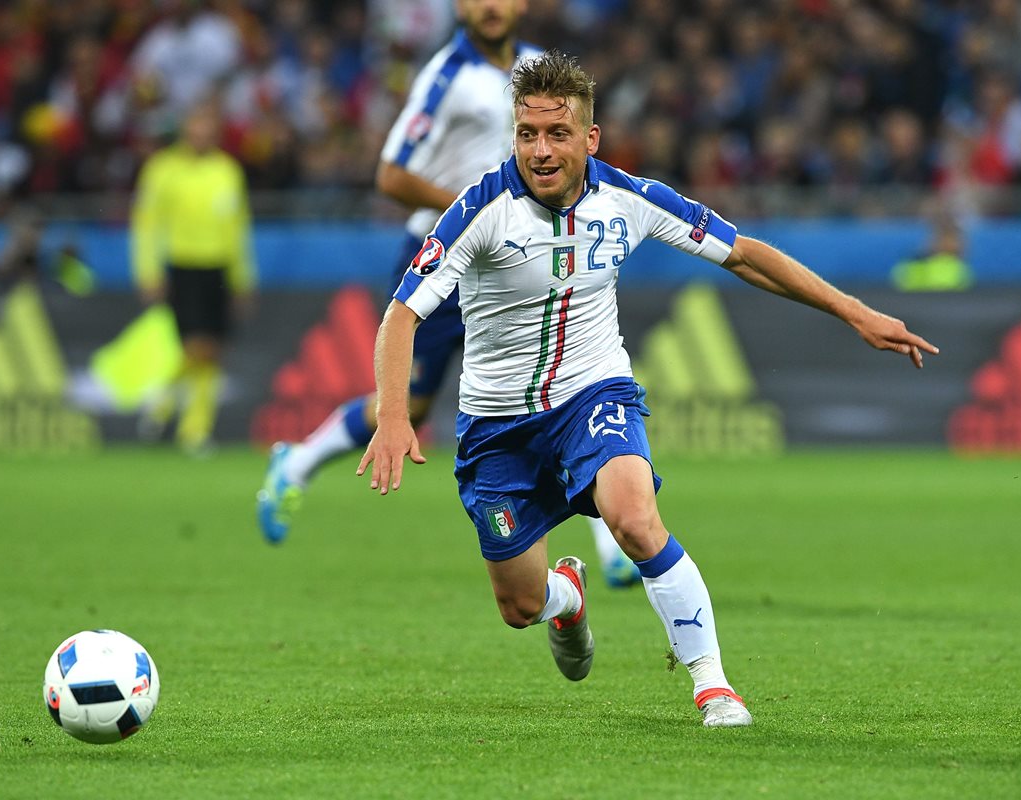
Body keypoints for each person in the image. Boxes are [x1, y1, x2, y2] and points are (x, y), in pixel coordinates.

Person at [358, 51, 939, 727]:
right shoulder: (478, 209)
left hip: (592, 396)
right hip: (497, 426)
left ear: (590, 138)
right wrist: (394, 415)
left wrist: (855, 311)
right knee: (519, 607)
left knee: (634, 518)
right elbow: (401, 314)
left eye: (557, 134)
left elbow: (744, 253)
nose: (540, 151)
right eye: (527, 134)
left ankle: (712, 684)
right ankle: (566, 598)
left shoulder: (629, 198)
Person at [257, 0, 642, 588]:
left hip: (525, 258)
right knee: (406, 407)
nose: (491, 7)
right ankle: (300, 459)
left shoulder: (540, 71)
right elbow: (390, 173)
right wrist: (476, 214)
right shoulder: (445, 77)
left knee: (564, 383)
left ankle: (607, 541)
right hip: (447, 262)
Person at [131, 97, 255, 455]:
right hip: (182, 267)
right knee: (195, 347)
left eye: (208, 127)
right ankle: (167, 406)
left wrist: (242, 278)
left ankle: (192, 429)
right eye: (195, 126)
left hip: (218, 267)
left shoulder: (227, 171)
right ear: (185, 130)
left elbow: (238, 229)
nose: (201, 133)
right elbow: (146, 225)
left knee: (212, 352)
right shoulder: (162, 169)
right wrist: (148, 271)